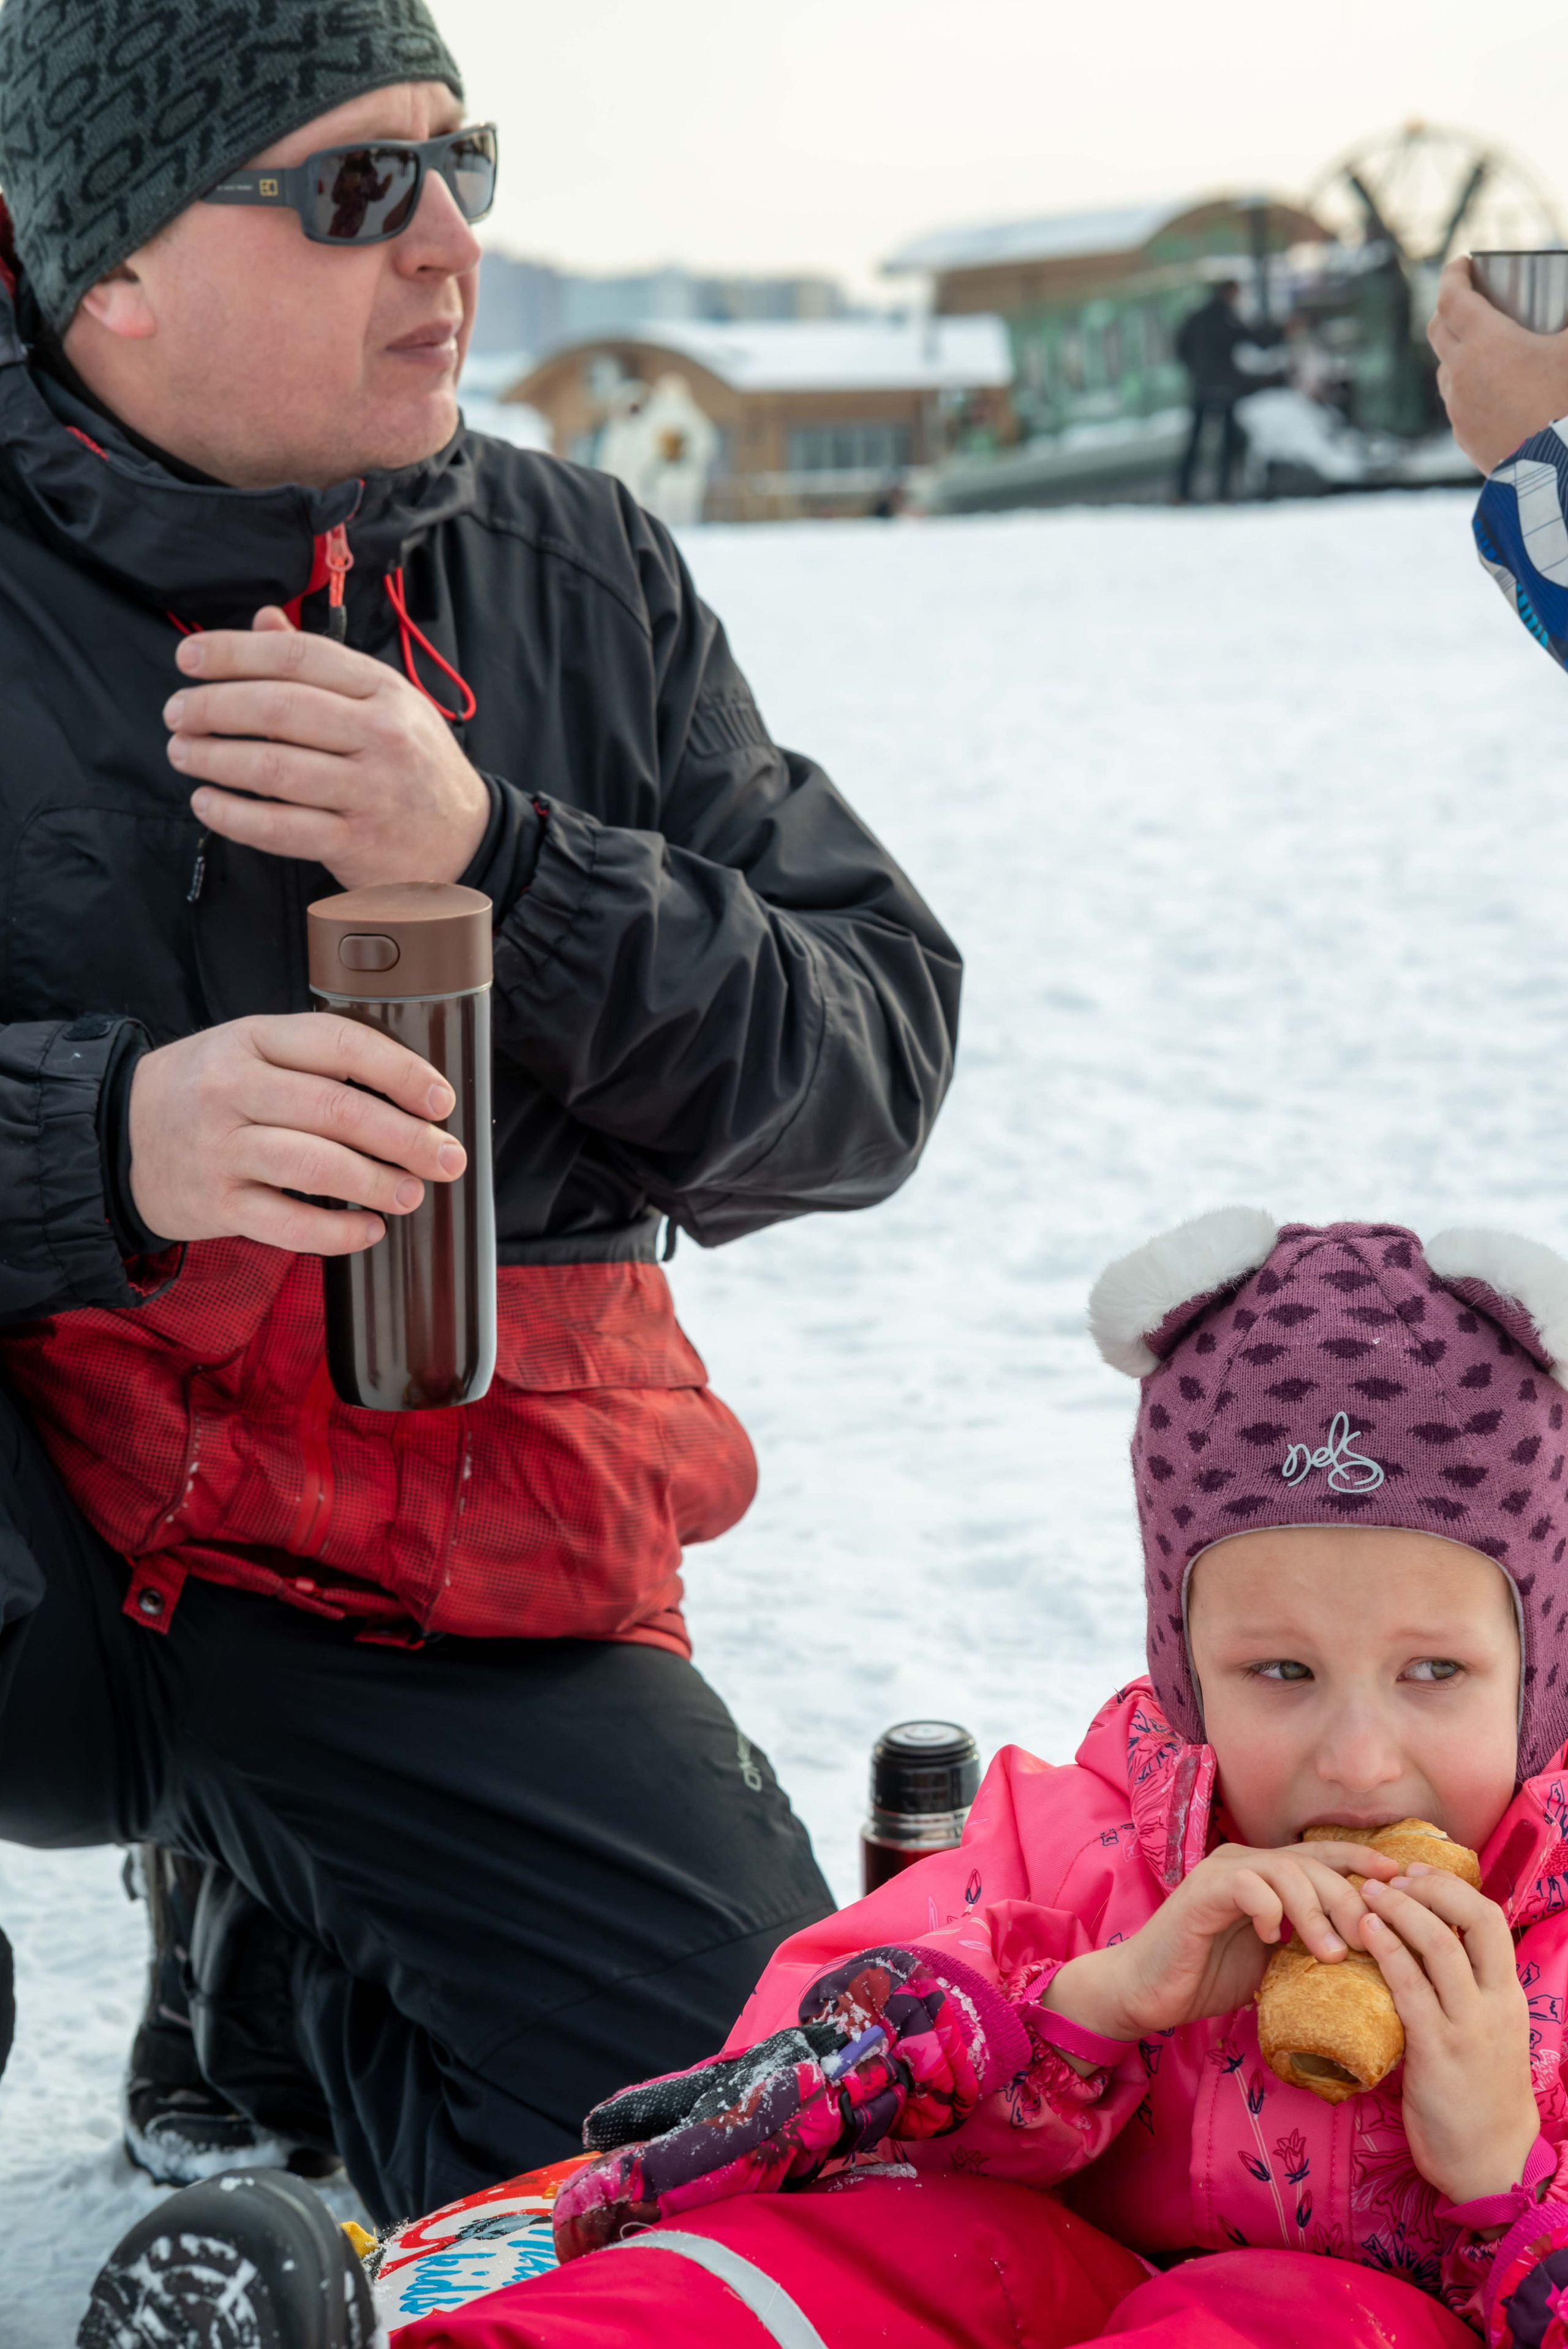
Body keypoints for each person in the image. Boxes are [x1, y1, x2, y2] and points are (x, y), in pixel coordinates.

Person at [0, 0, 961, 2227]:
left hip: (428, 1556)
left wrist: (505, 865)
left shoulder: (573, 579)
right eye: (354, 186)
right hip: (43, 1537)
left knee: (723, 2179)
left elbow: (866, 1067)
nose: (447, 242)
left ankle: (281, 1955)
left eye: (462, 163)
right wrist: (110, 1144)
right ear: (110, 261)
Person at [88, 1212, 1568, 2346]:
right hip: (1037, 2288)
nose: (1358, 1757)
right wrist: (1085, 2003)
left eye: (1432, 1673)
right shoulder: (1093, 1838)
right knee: (889, 2234)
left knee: (1280, 2312)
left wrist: (1500, 2167)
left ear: (1540, 1668)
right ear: (1185, 1667)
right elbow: (767, 2093)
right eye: (1279, 1673)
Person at [1174, 278, 1275, 504]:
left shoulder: (1196, 317)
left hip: (1202, 387)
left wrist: (1195, 372)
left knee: (1196, 441)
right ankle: (1223, 491)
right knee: (1227, 443)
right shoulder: (1229, 319)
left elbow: (1180, 348)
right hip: (1225, 388)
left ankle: (1182, 491)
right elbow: (1255, 341)